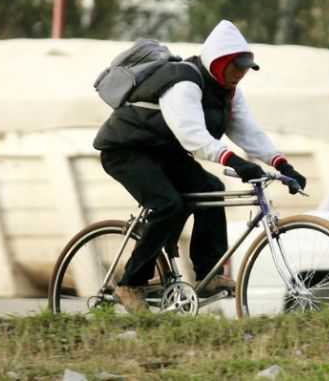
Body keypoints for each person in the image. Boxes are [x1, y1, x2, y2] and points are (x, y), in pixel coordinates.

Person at [93, 20, 307, 312]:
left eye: (245, 69)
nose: (241, 74)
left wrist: (283, 165)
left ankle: (209, 275)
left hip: (164, 152)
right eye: (236, 67)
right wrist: (233, 161)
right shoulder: (183, 82)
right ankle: (130, 283)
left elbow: (249, 132)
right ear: (218, 62)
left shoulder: (229, 93)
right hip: (127, 150)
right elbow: (191, 134)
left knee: (212, 189)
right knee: (167, 204)